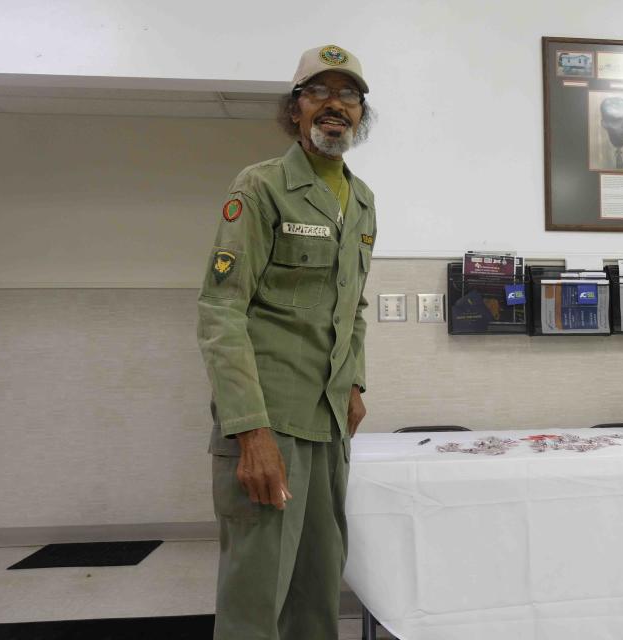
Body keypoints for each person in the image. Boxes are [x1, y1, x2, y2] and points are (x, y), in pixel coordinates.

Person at [196, 44, 377, 640]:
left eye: (348, 94)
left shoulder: (363, 200)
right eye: (318, 92)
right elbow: (222, 309)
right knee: (257, 598)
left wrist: (355, 381)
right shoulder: (260, 187)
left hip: (327, 426)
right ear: (294, 110)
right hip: (270, 421)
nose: (334, 104)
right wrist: (250, 431)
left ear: (360, 113)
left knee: (317, 594)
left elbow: (354, 304)